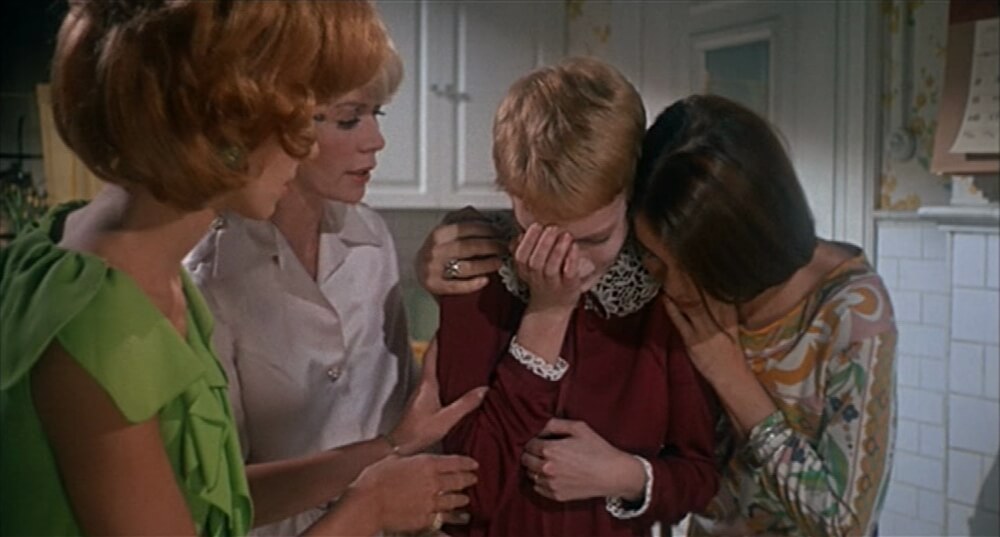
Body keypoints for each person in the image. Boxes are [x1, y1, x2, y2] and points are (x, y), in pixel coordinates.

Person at [0, 2, 479, 535]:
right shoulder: (103, 321)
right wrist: (370, 510)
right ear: (227, 121)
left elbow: (213, 502)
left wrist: (387, 448)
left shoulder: (123, 262)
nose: (306, 147)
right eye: (303, 118)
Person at [185, 40, 487, 536]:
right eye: (349, 119)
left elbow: (398, 397)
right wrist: (387, 453)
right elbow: (222, 497)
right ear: (280, 126)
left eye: (376, 114)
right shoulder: (212, 278)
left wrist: (449, 289)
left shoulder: (372, 238)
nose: (377, 140)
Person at [430, 57, 720, 537]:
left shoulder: (663, 288)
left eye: (594, 238)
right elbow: (471, 495)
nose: (572, 266)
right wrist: (547, 313)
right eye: (542, 237)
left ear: (630, 195)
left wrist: (624, 475)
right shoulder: (474, 268)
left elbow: (701, 476)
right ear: (511, 196)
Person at [630, 94, 897, 536]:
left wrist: (731, 378)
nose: (672, 288)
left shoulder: (852, 312)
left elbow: (846, 524)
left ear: (741, 244)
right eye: (653, 259)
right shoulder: (672, 283)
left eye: (693, 266)